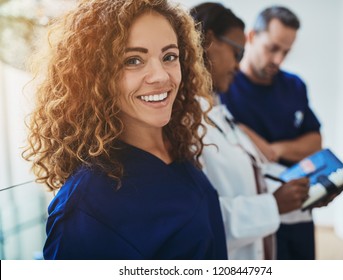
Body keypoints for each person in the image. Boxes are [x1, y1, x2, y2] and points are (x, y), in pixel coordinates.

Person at [22, 0, 227, 260]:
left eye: (169, 57)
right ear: (96, 75)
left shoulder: (176, 148)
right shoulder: (86, 207)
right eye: (133, 60)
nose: (161, 76)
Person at [190, 2, 310, 260]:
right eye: (237, 53)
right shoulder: (186, 124)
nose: (237, 65)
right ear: (208, 41)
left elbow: (248, 176)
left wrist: (296, 195)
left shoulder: (218, 110)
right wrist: (273, 205)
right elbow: (198, 221)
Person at [221, 6, 322, 260]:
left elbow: (315, 141)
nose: (279, 60)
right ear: (252, 37)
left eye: (286, 52)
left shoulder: (294, 85)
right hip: (255, 216)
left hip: (299, 212)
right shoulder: (224, 89)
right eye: (273, 48)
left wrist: (274, 149)